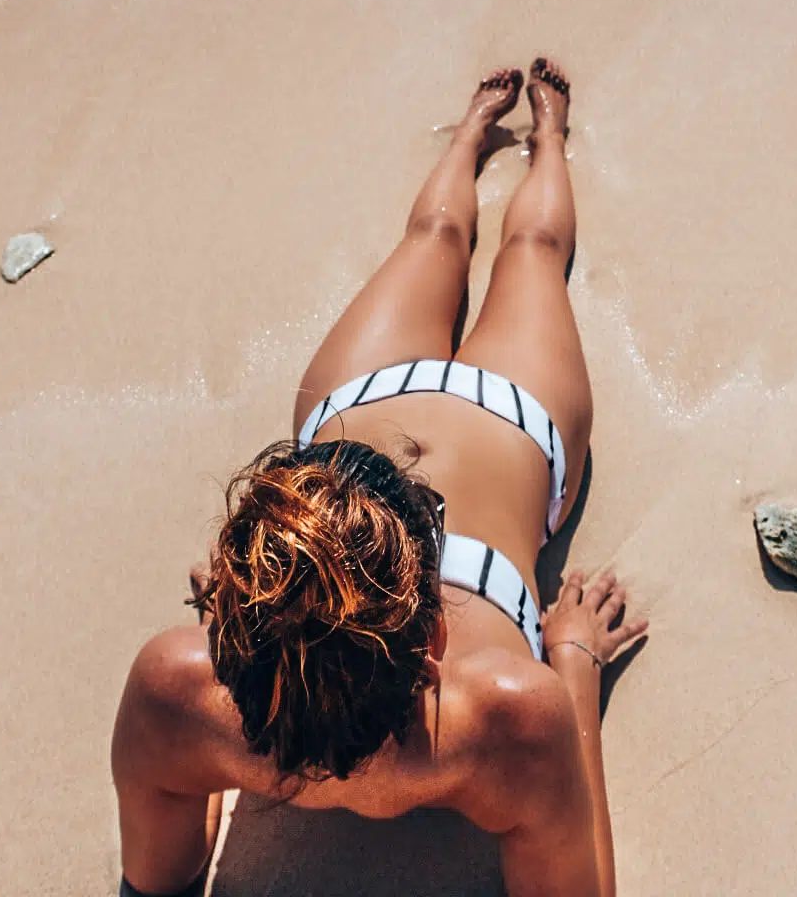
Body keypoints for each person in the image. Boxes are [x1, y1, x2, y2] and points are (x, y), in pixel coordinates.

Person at [112, 59, 647, 897]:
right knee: (530, 249)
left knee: (434, 241)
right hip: (474, 417)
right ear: (432, 645)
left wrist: (266, 628)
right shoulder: (512, 714)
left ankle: (480, 131)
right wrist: (572, 658)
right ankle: (542, 134)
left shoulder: (175, 690)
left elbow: (162, 875)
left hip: (399, 410)